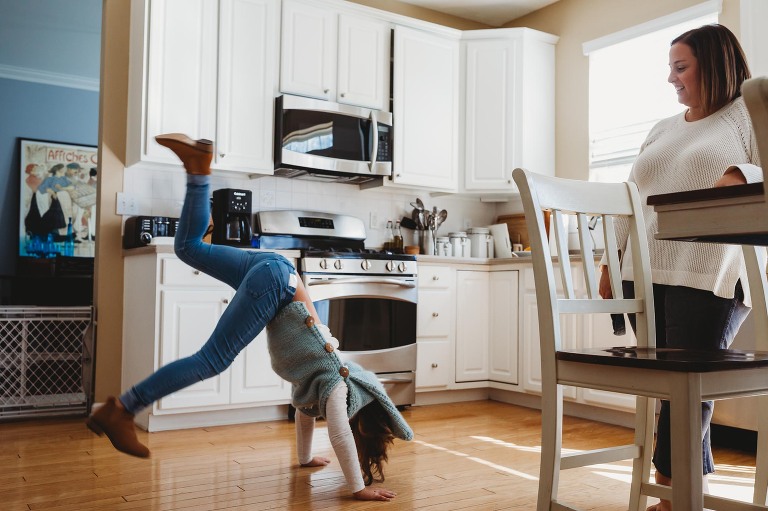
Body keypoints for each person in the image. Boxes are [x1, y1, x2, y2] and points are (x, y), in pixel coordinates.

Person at [86, 133, 413, 502]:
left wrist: (305, 460)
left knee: (189, 247)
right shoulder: (339, 389)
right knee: (212, 360)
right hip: (276, 281)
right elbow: (338, 432)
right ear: (360, 419)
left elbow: (303, 417)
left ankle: (197, 169)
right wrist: (358, 488)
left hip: (275, 268)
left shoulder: (316, 390)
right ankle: (123, 409)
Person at [597, 24, 761, 511]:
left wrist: (742, 173)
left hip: (708, 268)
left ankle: (674, 492)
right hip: (644, 271)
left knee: (689, 387)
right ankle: (688, 491)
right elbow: (632, 198)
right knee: (671, 389)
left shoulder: (747, 116)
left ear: (713, 65)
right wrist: (610, 262)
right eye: (670, 67)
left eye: (680, 66)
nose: (671, 78)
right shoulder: (663, 128)